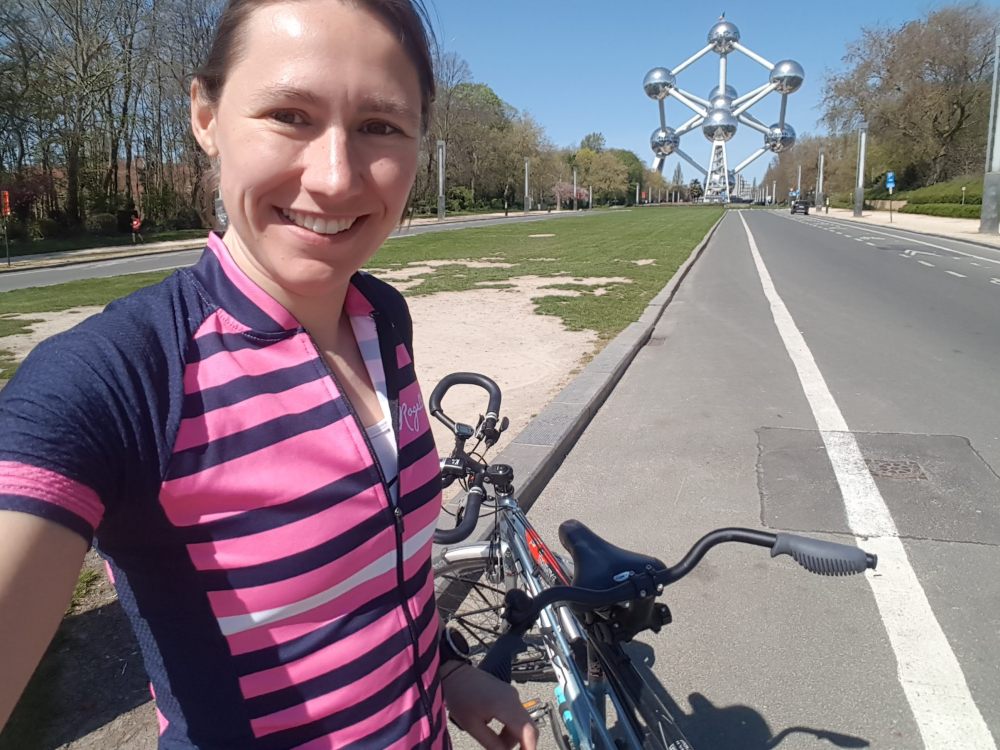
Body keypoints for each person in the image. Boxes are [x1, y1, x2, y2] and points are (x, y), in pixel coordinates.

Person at [0, 1, 537, 748]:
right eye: (289, 115)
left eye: (380, 125)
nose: (336, 178)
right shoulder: (116, 380)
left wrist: (447, 671)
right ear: (206, 117)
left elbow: (388, 569)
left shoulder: (382, 318)